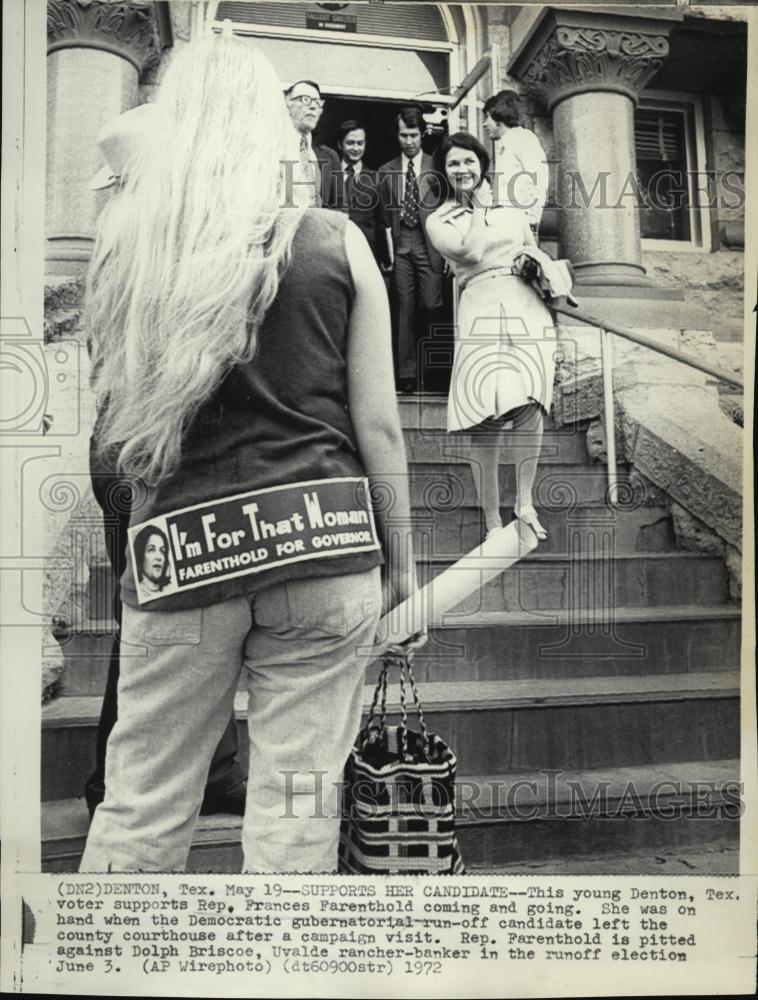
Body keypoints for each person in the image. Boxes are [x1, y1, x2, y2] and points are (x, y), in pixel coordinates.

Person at [80, 35, 415, 874]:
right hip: (324, 545)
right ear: (269, 129)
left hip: (184, 555)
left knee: (142, 802)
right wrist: (400, 563)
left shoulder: (133, 248)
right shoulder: (337, 240)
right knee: (298, 804)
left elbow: (116, 424)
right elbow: (380, 429)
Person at [83, 104, 246, 820]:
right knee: (159, 618)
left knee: (169, 615)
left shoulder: (119, 236)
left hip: (121, 444)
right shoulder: (165, 242)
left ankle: (206, 767)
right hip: (150, 449)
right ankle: (116, 781)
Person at [425, 132, 573, 542]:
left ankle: (524, 503)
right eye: (454, 164)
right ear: (444, 170)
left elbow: (530, 245)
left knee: (530, 404)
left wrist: (537, 265)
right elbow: (470, 254)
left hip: (524, 305)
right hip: (482, 306)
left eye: (469, 162)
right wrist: (474, 208)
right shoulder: (439, 219)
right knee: (484, 415)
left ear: (481, 164)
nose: (463, 169)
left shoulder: (509, 208)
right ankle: (491, 521)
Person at [378, 106, 445, 393]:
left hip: (429, 242)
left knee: (430, 305)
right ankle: (406, 374)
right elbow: (382, 218)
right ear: (397, 136)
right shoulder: (386, 170)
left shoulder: (437, 166)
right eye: (404, 135)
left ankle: (432, 372)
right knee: (403, 307)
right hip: (401, 244)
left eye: (414, 135)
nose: (409, 141)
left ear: (423, 135)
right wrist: (387, 254)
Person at [483, 90, 549, 231]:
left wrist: (530, 223)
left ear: (498, 114)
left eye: (487, 117)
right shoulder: (506, 144)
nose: (484, 124)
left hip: (519, 225)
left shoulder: (523, 138)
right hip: (505, 224)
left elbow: (538, 180)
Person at [336, 119, 390, 269]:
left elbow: (382, 224)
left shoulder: (376, 179)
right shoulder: (328, 176)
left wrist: (385, 259)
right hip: (334, 252)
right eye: (350, 143)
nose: (355, 148)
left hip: (366, 253)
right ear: (340, 145)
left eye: (360, 143)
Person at [284, 79, 340, 208]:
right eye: (305, 99)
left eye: (317, 102)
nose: (313, 106)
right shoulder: (274, 149)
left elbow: (338, 207)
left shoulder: (325, 156)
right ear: (287, 105)